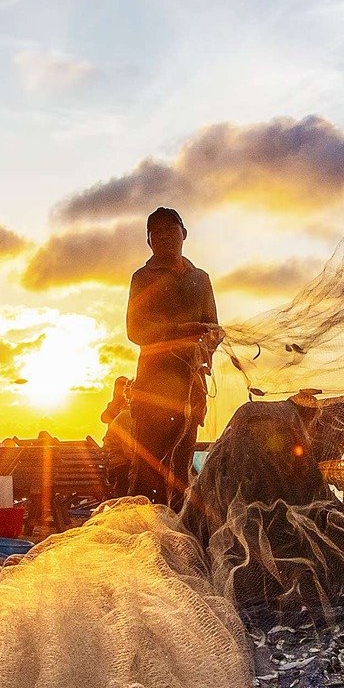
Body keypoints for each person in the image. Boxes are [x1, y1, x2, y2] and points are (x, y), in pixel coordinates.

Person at [126, 207, 219, 506]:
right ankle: (142, 537)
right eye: (157, 231)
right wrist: (181, 332)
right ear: (149, 241)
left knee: (180, 470)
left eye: (171, 228)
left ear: (184, 234)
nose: (165, 235)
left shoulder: (200, 279)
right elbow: (136, 329)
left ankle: (177, 538)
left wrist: (210, 341)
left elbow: (212, 327)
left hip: (191, 390)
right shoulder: (143, 277)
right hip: (153, 390)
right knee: (146, 471)